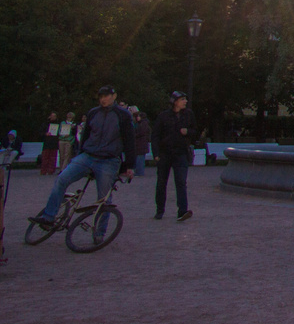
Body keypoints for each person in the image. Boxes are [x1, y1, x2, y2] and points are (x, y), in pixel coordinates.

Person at [28, 87, 134, 229]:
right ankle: (49, 216)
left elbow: (129, 141)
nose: (103, 99)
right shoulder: (93, 113)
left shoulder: (123, 115)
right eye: (101, 96)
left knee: (104, 199)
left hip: (108, 159)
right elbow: (85, 136)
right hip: (88, 156)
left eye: (106, 96)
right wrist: (80, 155)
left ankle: (99, 232)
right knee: (61, 179)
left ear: (114, 96)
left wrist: (130, 165)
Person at [153, 90, 197, 221]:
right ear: (175, 102)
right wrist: (156, 153)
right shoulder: (163, 116)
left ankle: (182, 211)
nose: (186, 102)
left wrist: (188, 131)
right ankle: (160, 210)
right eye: (183, 99)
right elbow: (155, 135)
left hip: (181, 152)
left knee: (181, 182)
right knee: (161, 182)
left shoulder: (188, 115)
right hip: (165, 153)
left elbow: (195, 131)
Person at [130, 106, 151, 177]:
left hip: (141, 144)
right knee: (139, 158)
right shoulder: (140, 123)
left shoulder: (143, 123)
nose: (137, 118)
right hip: (140, 144)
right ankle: (138, 171)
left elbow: (141, 132)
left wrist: (134, 135)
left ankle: (139, 172)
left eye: (138, 116)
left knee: (140, 159)